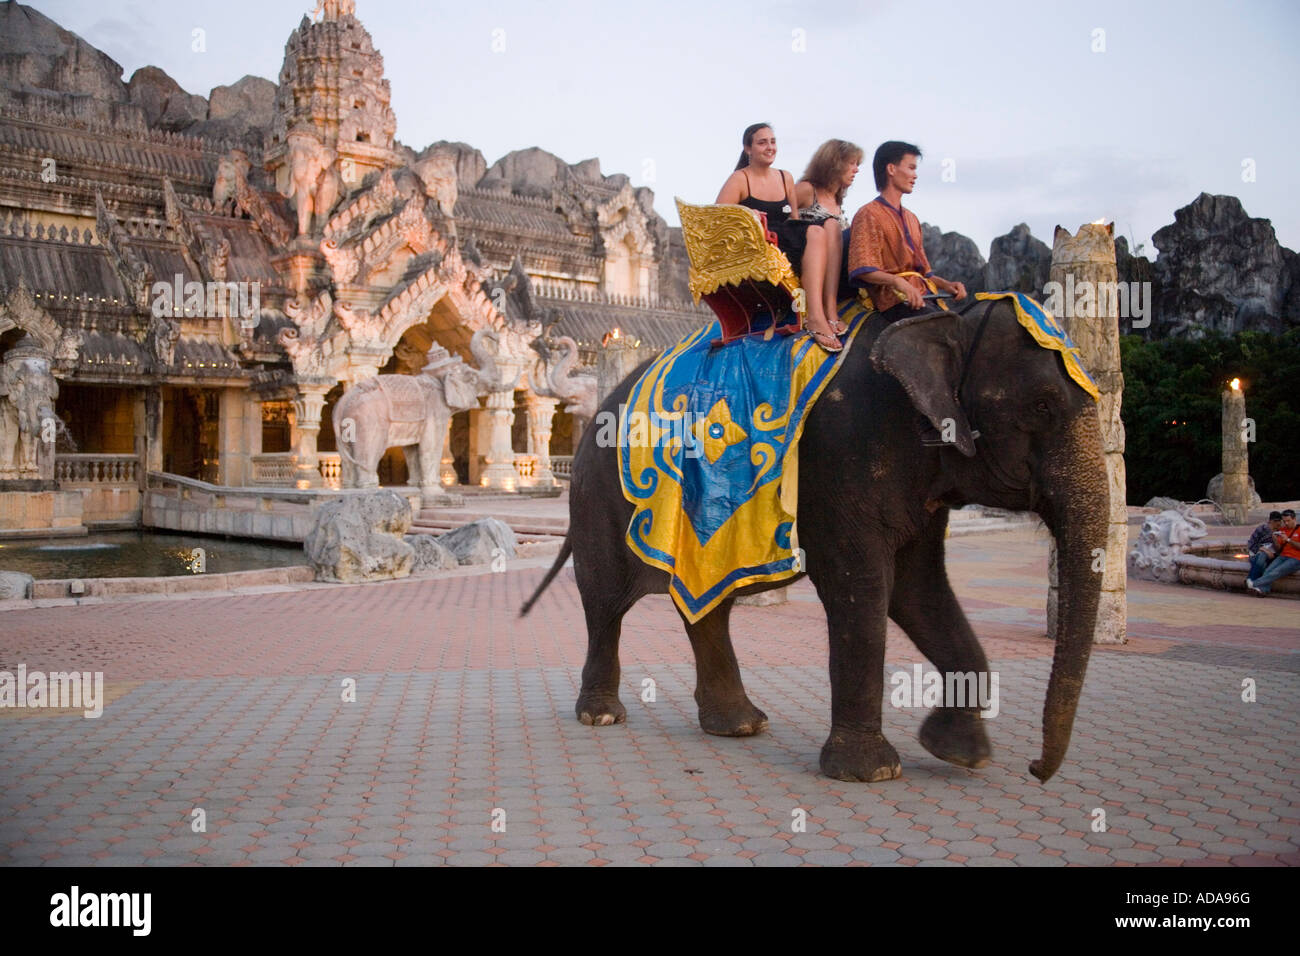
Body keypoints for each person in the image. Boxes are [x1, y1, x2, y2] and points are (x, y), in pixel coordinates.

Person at [716, 123, 845, 353]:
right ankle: (814, 317)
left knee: (827, 227)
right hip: (759, 243)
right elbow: (717, 218)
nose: (770, 147)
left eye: (773, 142)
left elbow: (794, 219)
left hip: (786, 237)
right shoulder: (740, 179)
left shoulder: (786, 177)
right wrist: (746, 213)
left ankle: (828, 309)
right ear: (748, 148)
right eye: (762, 142)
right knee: (814, 232)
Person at [846, 140, 967, 322]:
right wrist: (898, 282)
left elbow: (925, 273)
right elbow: (862, 268)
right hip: (893, 303)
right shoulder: (868, 214)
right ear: (891, 169)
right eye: (911, 168)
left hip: (925, 297)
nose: (915, 175)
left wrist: (947, 285)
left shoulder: (912, 218)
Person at [1247, 508, 1300, 596]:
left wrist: (1288, 540)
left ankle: (1254, 583)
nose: (1286, 523)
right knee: (1268, 570)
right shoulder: (1282, 530)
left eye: (1288, 521)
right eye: (1284, 521)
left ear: (1294, 519)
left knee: (1278, 571)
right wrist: (1275, 539)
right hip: (1283, 556)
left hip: (1296, 559)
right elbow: (1279, 549)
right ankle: (1263, 590)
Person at [1245, 510, 1283, 580]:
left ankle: (1250, 581)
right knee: (1262, 558)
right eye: (1278, 523)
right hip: (1256, 554)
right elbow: (1251, 544)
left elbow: (1279, 550)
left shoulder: (1280, 532)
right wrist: (1264, 550)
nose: (1280, 524)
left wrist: (1275, 540)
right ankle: (1253, 582)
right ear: (1272, 521)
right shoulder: (1262, 529)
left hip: (1272, 556)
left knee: (1262, 559)